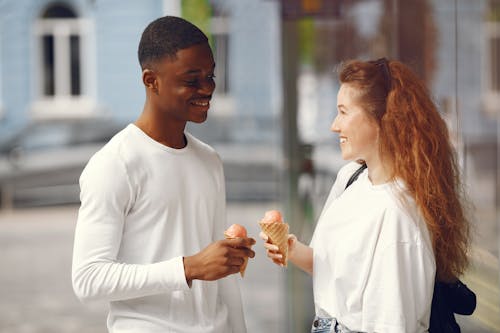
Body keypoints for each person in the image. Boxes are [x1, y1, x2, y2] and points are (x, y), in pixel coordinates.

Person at [72, 16, 255, 333]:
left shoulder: (210, 160)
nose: (207, 88)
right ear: (151, 80)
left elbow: (223, 280)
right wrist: (189, 268)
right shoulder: (115, 164)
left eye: (210, 75)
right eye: (192, 79)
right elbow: (88, 279)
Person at [261, 58, 471, 332]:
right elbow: (339, 275)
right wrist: (291, 249)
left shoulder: (396, 217)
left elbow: (391, 326)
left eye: (344, 112)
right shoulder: (351, 177)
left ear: (383, 120)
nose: (334, 126)